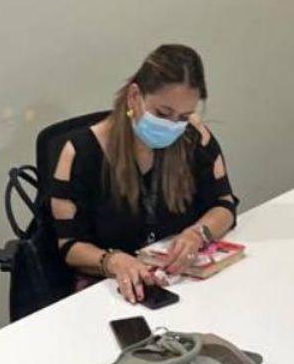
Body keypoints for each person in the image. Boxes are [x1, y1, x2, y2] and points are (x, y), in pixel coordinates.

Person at [50, 43, 239, 303]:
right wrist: (113, 261)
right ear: (134, 96)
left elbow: (224, 205)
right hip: (107, 289)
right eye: (163, 113)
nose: (172, 125)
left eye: (184, 116)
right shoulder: (80, 153)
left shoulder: (194, 138)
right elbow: (69, 245)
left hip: (180, 284)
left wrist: (197, 234)